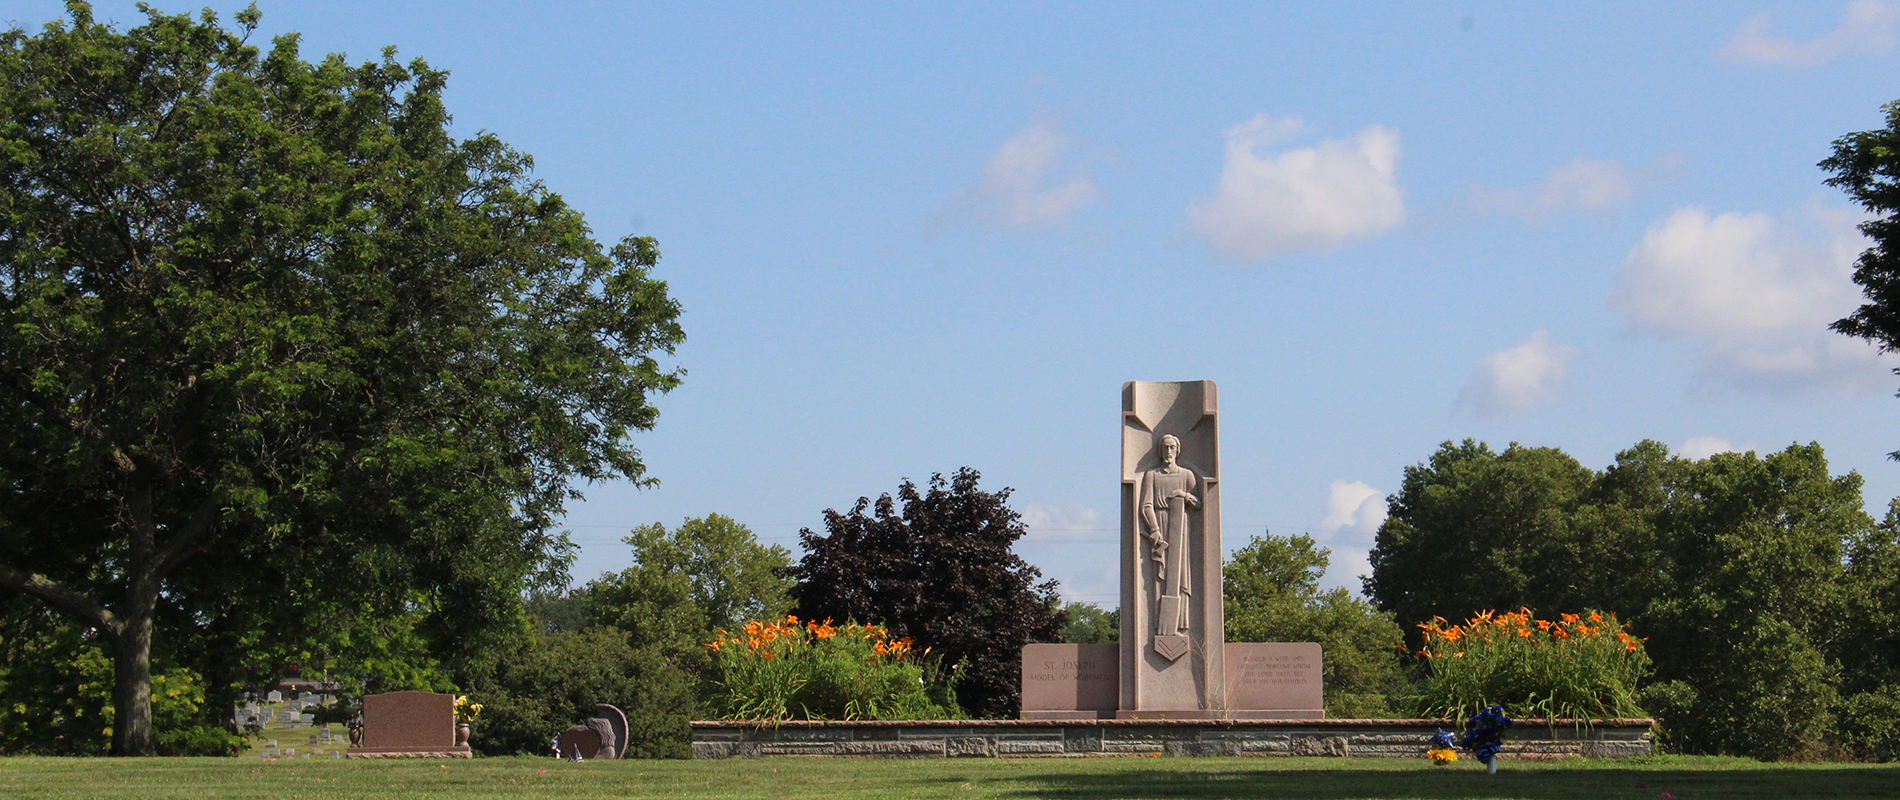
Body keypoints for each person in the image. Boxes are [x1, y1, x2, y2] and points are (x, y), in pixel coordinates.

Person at [1138, 433, 1199, 642]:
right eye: (1165, 448)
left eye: (1172, 448)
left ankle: (1179, 623)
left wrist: (1184, 496)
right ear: (1160, 451)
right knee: (1159, 578)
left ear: (1178, 450)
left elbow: (1197, 503)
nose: (1169, 452)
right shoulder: (1152, 475)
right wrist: (1154, 529)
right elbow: (1146, 505)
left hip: (1180, 528)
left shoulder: (1186, 475)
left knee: (1179, 576)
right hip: (1160, 526)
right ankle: (1161, 624)